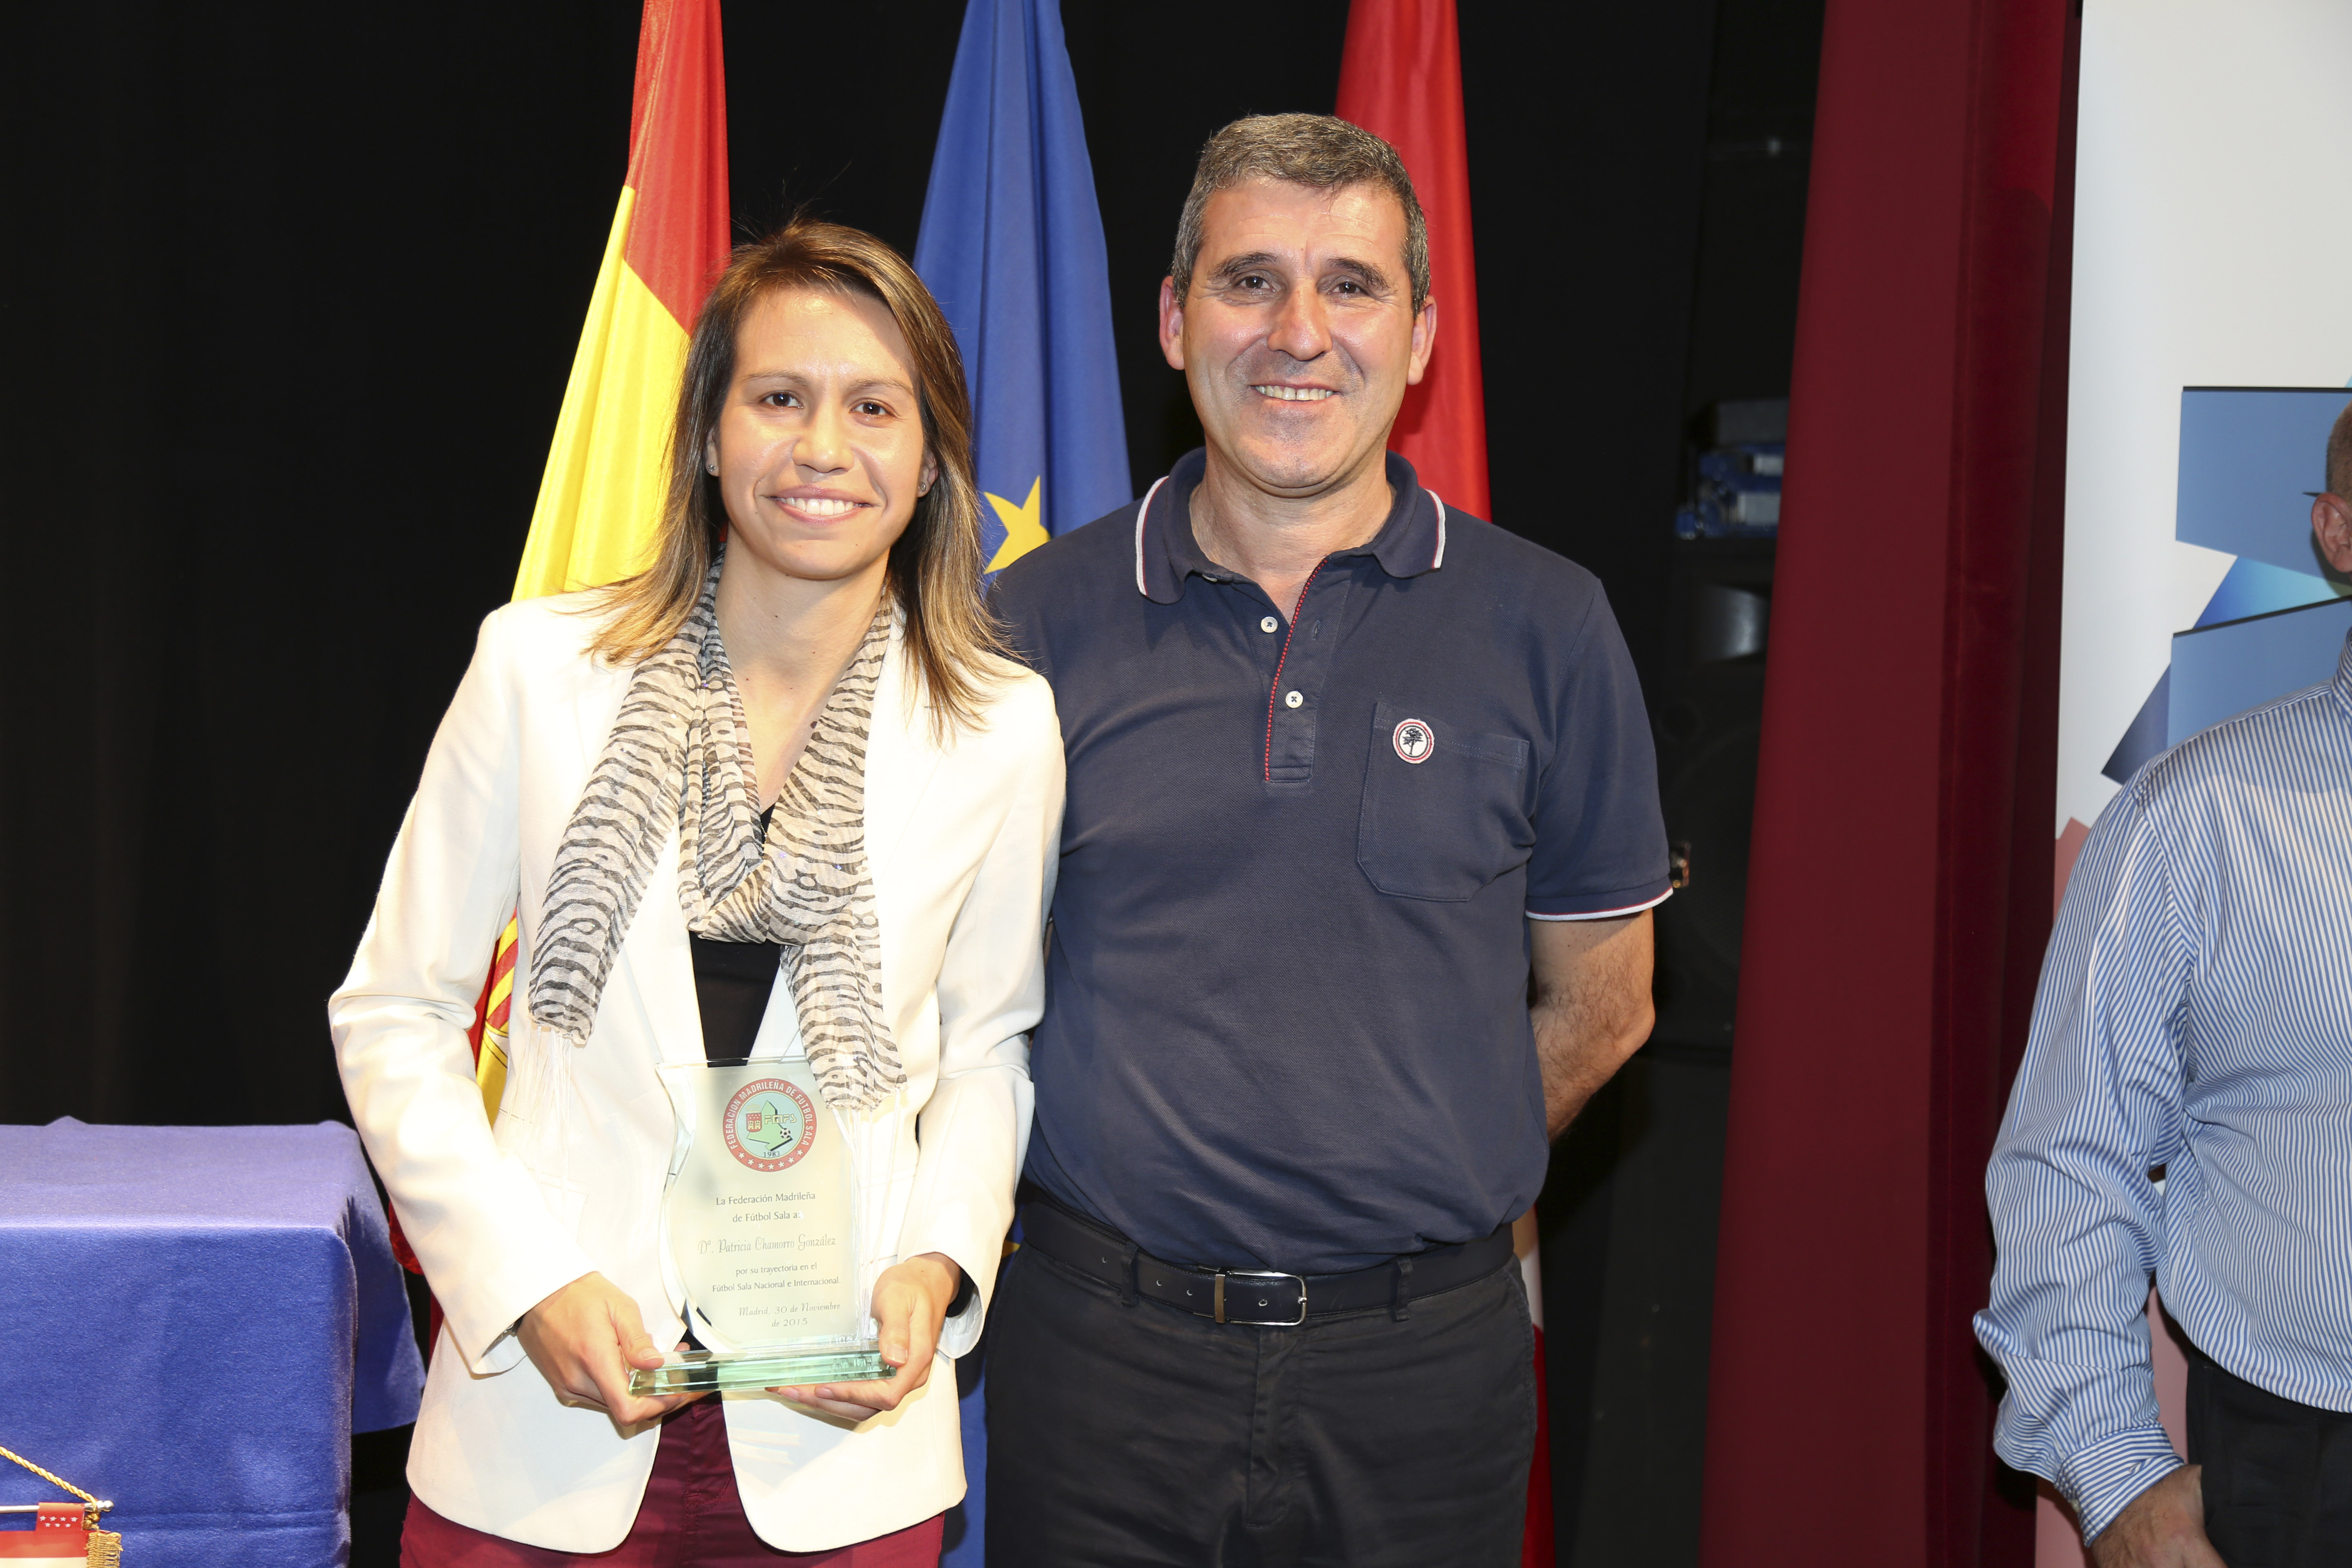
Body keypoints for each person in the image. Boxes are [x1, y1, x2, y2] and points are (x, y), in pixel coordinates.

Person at [984, 114, 1670, 1566]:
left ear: (1419, 338)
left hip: (1425, 1379)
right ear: (1175, 320)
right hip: (1101, 1370)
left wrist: (1415, 1162)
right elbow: (944, 1000)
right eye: (1251, 281)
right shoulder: (1023, 626)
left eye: (1351, 286)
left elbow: (1607, 1009)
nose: (1299, 331)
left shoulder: (1549, 626)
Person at [331, 218, 1062, 1564]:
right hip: (544, 1432)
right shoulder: (537, 671)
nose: (824, 447)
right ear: (711, 438)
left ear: (929, 461)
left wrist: (938, 1262)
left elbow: (988, 1050)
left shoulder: (1000, 727)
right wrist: (523, 1282)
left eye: (875, 408)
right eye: (779, 398)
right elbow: (394, 1014)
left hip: (842, 1439)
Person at [1976, 405, 2352, 1568]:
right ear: (2339, 532)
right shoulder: (2198, 815)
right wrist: (2118, 1476)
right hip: (2306, 1473)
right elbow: (2069, 1153)